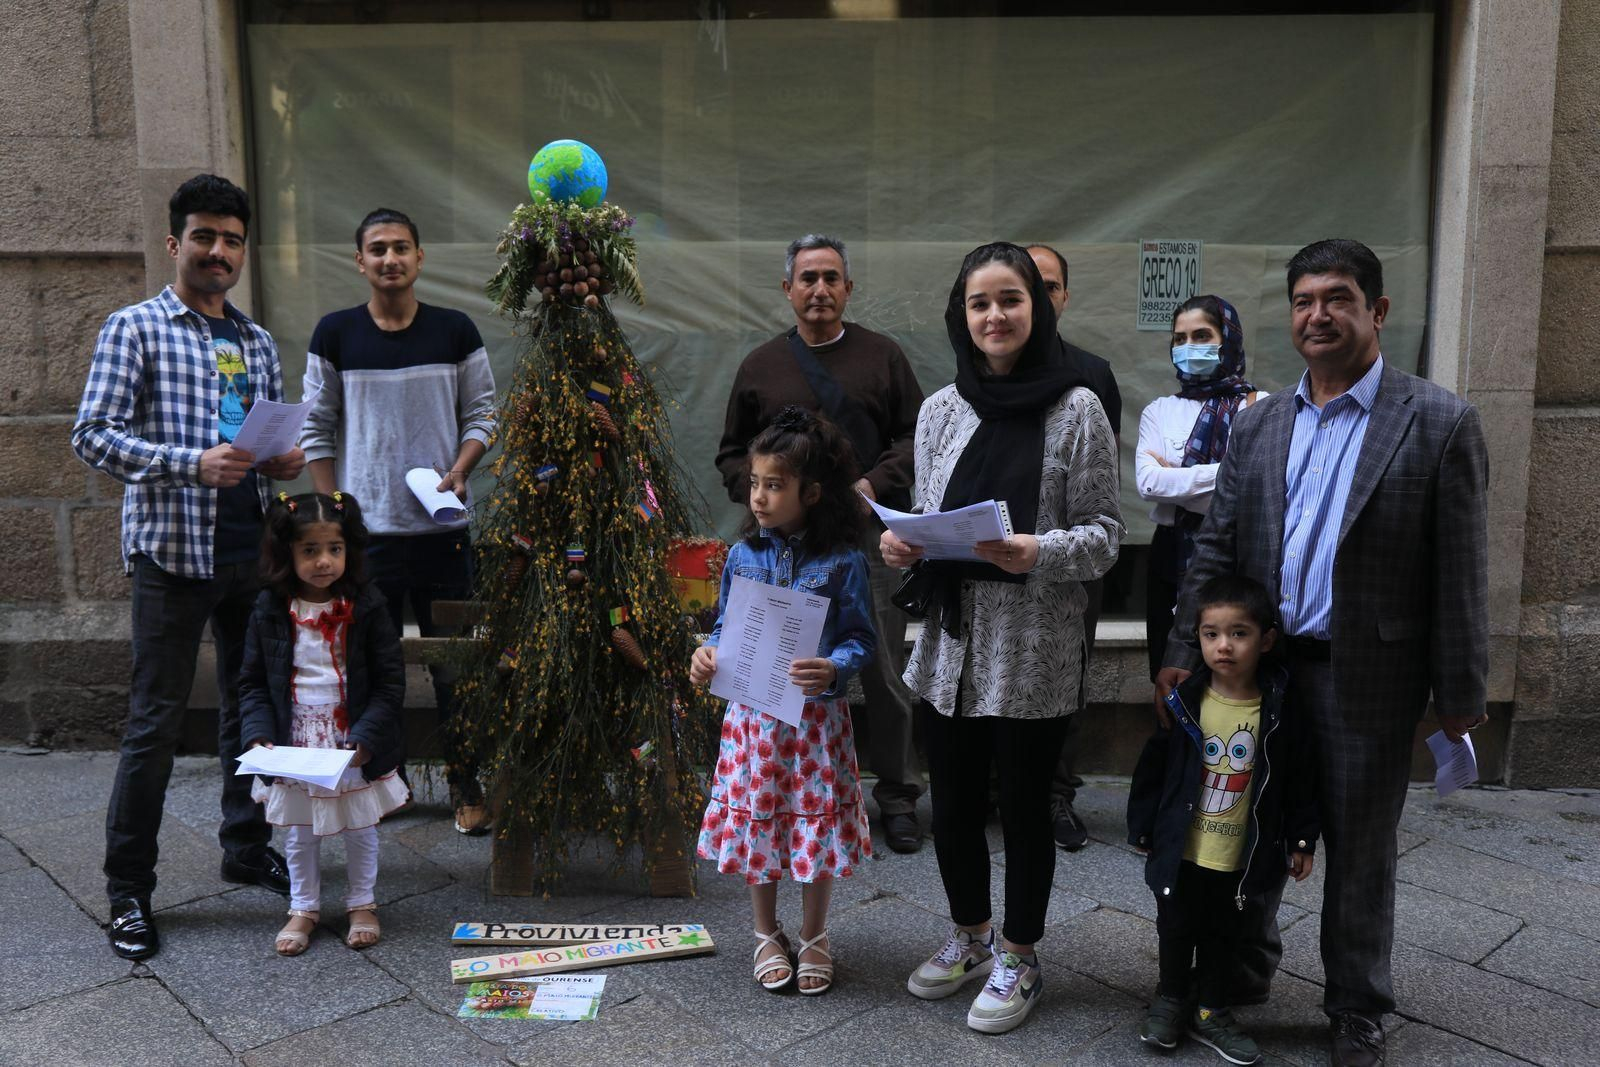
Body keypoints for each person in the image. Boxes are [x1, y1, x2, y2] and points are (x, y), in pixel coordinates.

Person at [1156, 239, 1489, 1067]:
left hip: (1366, 677)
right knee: (1247, 824)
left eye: (1337, 298)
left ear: (1376, 310)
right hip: (1258, 674)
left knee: (1360, 850)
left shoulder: (1439, 422)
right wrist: (1180, 647)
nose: (1318, 315)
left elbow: (1461, 573)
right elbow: (1218, 545)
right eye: (1304, 300)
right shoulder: (1262, 421)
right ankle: (1242, 967)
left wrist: (1461, 691)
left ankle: (1357, 1005)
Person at [885, 242, 1122, 1034]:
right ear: (963, 314)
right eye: (980, 302)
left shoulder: (1078, 407)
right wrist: (905, 543)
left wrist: (1038, 550)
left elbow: (1105, 536)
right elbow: (928, 512)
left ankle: (1019, 952)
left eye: (1011, 299)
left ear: (1039, 307)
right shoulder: (941, 409)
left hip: (1034, 647)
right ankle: (969, 935)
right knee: (950, 804)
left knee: (1021, 809)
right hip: (950, 646)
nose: (995, 315)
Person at [72, 174, 307, 961]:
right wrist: (186, 463)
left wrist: (280, 462)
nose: (218, 251)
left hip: (251, 554)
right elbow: (93, 435)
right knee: (155, 725)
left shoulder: (257, 341)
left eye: (232, 239)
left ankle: (244, 846)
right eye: (203, 236)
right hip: (172, 557)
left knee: (251, 717)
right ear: (175, 243)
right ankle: (128, 891)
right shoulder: (133, 329)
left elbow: (262, 443)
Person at [714, 234, 926, 854]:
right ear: (787, 290)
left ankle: (897, 796)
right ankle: (771, 785)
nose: (819, 290)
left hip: (864, 539)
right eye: (807, 279)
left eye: (832, 278)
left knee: (881, 669)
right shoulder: (760, 366)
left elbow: (916, 438)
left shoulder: (882, 357)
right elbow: (731, 451)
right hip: (780, 551)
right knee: (768, 666)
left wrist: (872, 485)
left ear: (848, 289)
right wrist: (764, 497)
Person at [300, 207, 497, 835]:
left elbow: (485, 415)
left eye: (402, 248)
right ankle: (386, 783)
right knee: (370, 665)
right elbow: (315, 427)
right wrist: (333, 514)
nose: (391, 259)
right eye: (378, 249)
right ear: (360, 261)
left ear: (420, 258)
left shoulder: (455, 331)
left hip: (443, 533)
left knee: (454, 667)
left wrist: (463, 467)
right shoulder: (335, 335)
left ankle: (468, 785)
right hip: (368, 536)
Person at [691, 406, 878, 996]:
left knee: (812, 827)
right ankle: (765, 932)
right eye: (755, 483)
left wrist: (834, 666)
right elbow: (725, 626)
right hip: (753, 721)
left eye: (775, 485)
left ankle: (815, 934)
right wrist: (707, 654)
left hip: (815, 721)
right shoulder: (743, 556)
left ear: (813, 492)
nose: (760, 497)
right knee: (759, 823)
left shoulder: (841, 561)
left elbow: (861, 639)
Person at [1128, 575, 1318, 1065]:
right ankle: (1170, 998)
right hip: (1183, 849)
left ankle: (1212, 1010)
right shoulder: (1186, 701)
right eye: (1211, 634)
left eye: (1239, 633)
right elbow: (1155, 769)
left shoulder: (1278, 710)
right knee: (1174, 926)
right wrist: (1144, 826)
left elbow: (1300, 776)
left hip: (1240, 854)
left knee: (1224, 934)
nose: (1224, 646)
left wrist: (1301, 839)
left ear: (1266, 639)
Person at [240, 491, 407, 955]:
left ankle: (362, 902)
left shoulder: (367, 605)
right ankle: (303, 906)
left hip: (349, 736)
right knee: (299, 830)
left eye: (334, 549)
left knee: (359, 826)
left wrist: (367, 739)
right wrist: (258, 736)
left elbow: (390, 683)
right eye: (309, 551)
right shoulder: (271, 608)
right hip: (294, 736)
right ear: (286, 553)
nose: (323, 562)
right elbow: (252, 681)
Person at [1027, 242, 1123, 852]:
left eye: (1050, 285)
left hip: (1070, 563)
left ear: (1064, 296)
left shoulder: (1092, 376)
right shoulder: (973, 374)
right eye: (1025, 282)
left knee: (1067, 680)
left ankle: (1055, 794)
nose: (1038, 296)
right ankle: (994, 793)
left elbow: (1100, 488)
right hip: (992, 564)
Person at [1136, 295, 1263, 681]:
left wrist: (1179, 478)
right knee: (1168, 670)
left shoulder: (1261, 408)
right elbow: (1149, 482)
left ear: (1229, 339)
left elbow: (1257, 489)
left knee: (1235, 677)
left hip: (1238, 554)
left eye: (1202, 335)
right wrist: (1229, 471)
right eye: (1180, 338)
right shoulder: (1160, 410)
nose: (1189, 347)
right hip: (1170, 555)